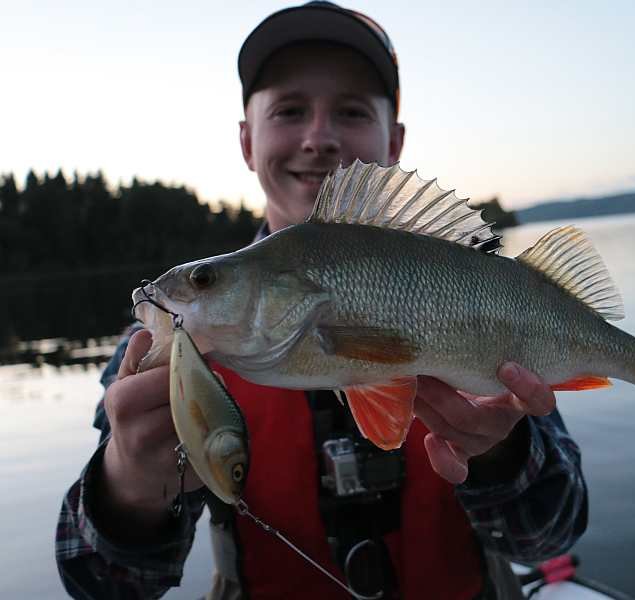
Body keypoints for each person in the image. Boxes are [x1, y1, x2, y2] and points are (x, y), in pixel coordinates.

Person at [56, 3, 588, 598]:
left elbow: (552, 535)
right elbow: (102, 585)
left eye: (352, 111)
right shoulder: (173, 353)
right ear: (246, 140)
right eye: (289, 110)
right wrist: (129, 484)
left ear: (394, 141)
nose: (319, 137)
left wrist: (503, 451)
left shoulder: (484, 292)